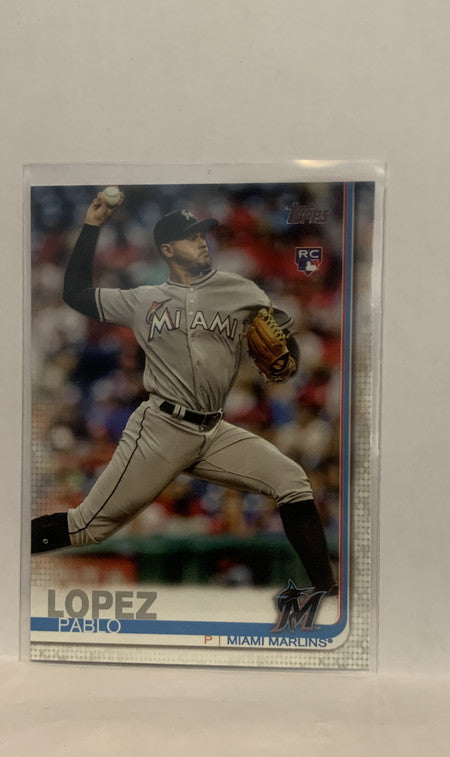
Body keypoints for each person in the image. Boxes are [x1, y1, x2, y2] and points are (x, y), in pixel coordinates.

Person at [31, 191, 337, 594]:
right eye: (191, 237)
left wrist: (288, 354)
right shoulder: (143, 300)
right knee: (87, 527)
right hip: (161, 430)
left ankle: (327, 593)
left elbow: (285, 343)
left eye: (202, 235)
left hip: (214, 432)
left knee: (292, 480)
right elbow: (75, 294)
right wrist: (92, 225)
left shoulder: (241, 291)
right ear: (168, 249)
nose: (201, 242)